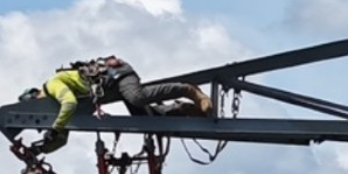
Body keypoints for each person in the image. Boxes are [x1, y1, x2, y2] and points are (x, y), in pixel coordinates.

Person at [28, 56, 213, 153]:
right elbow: (62, 138)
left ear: (37, 97)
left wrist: (55, 127)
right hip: (111, 87)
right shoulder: (58, 110)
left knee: (136, 97)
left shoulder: (52, 86)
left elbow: (69, 103)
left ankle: (187, 90)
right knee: (146, 121)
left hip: (116, 75)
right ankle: (182, 110)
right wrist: (40, 149)